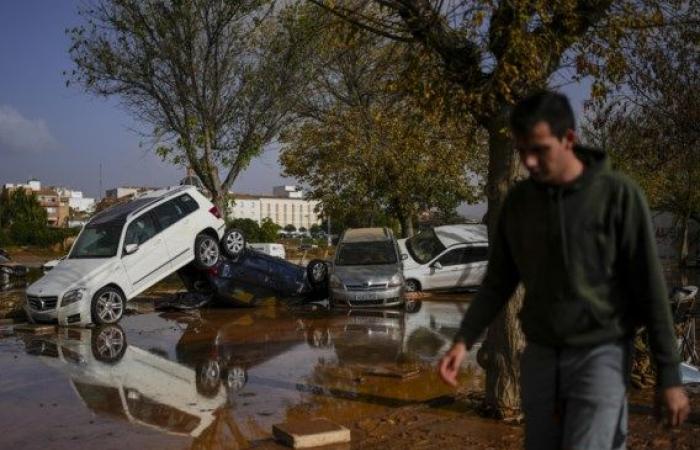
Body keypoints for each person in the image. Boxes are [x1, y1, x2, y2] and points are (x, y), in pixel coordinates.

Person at [438, 91, 690, 449]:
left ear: (568, 139)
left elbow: (650, 289)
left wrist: (670, 375)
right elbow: (497, 283)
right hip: (540, 355)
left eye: (539, 149)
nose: (529, 161)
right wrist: (463, 340)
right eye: (522, 150)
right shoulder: (519, 203)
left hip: (601, 353)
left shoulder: (618, 196)